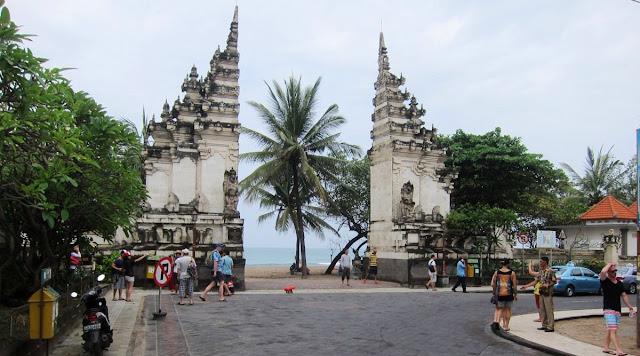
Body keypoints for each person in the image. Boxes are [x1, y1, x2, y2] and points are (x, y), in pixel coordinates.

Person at [600, 263, 635, 356]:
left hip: (617, 310)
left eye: (615, 270)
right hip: (608, 309)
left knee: (611, 330)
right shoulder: (605, 281)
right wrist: (610, 264)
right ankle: (619, 350)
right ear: (609, 272)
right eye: (612, 271)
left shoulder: (619, 283)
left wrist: (630, 307)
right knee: (613, 330)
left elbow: (624, 295)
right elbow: (603, 272)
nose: (615, 272)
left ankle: (606, 347)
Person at [521, 256, 556, 332]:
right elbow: (536, 281)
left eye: (541, 261)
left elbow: (554, 281)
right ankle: (544, 324)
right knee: (542, 309)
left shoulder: (550, 271)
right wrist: (527, 286)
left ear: (545, 262)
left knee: (549, 310)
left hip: (547, 292)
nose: (540, 263)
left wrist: (547, 285)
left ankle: (550, 326)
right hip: (541, 292)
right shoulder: (541, 271)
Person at [490, 259, 518, 331]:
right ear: (508, 264)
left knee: (500, 308)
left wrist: (494, 293)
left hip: (500, 293)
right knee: (508, 309)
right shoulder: (512, 273)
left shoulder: (497, 272)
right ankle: (506, 326)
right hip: (509, 293)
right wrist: (516, 294)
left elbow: (494, 284)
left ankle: (497, 321)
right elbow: (514, 285)